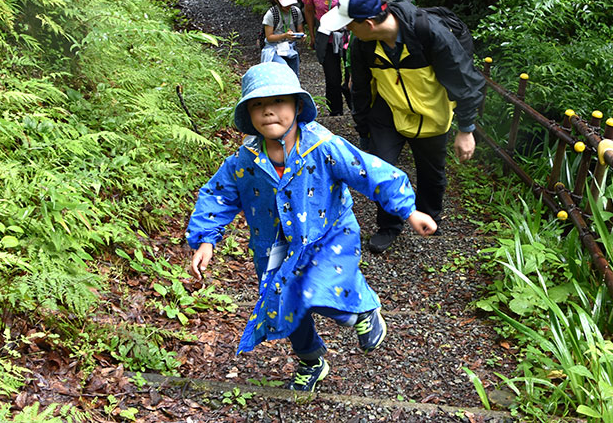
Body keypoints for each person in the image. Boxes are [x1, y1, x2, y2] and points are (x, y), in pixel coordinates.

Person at [185, 63, 437, 391]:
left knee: (317, 290)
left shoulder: (323, 146)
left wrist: (409, 210)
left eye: (277, 101)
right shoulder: (244, 161)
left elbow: (368, 170)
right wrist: (206, 240)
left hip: (328, 235)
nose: (268, 111)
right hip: (275, 248)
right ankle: (311, 359)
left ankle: (362, 309)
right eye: (257, 104)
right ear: (248, 113)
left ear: (298, 106)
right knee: (287, 305)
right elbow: (217, 196)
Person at [317, 0, 485, 254]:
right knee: (382, 168)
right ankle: (389, 226)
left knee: (432, 173)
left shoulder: (429, 34)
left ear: (369, 24)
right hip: (389, 112)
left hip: (432, 113)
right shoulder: (363, 45)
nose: (348, 31)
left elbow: (466, 80)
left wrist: (466, 129)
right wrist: (364, 130)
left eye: (350, 25)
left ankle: (430, 216)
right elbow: (359, 88)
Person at [301, 0, 356, 115]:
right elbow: (308, 10)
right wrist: (312, 34)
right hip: (326, 34)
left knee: (351, 74)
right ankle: (335, 112)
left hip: (348, 32)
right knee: (332, 77)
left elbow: (358, 2)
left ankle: (355, 108)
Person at [260, 0, 304, 76]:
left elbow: (300, 30)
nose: (288, 6)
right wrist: (285, 35)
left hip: (290, 48)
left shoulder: (296, 12)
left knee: (293, 75)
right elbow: (269, 37)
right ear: (276, 0)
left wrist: (300, 36)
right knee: (284, 70)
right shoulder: (271, 14)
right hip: (273, 49)